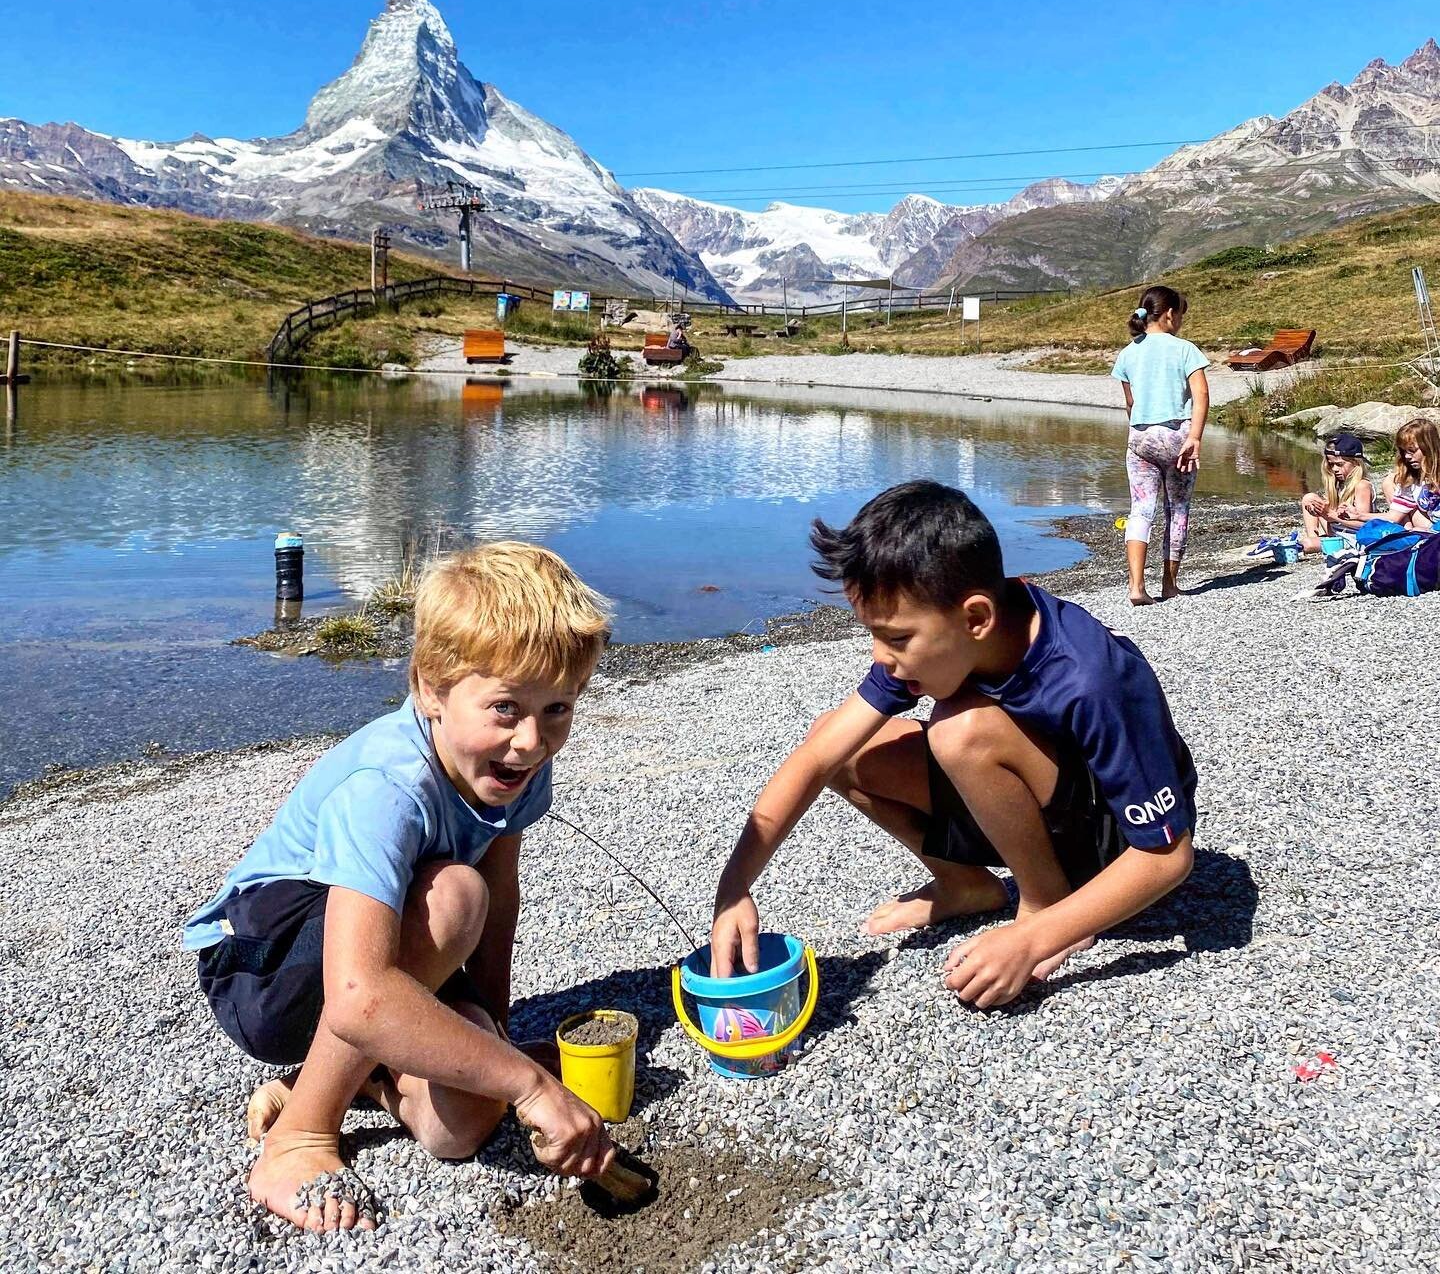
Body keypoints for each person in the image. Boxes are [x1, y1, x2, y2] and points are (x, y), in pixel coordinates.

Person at [183, 543, 616, 1234]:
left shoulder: (512, 765)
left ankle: (344, 1080)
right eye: (505, 707)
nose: (532, 741)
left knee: (465, 1124)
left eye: (558, 709)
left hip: (387, 950)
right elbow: (357, 996)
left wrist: (496, 1042)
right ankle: (298, 1135)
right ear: (430, 689)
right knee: (454, 897)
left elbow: (502, 898)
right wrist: (532, 1085)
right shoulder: (386, 790)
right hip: (263, 971)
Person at [709, 481, 1196, 1009]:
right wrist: (734, 888)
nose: (882, 657)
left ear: (976, 618)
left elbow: (1167, 856)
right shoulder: (948, 641)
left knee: (959, 729)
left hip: (1113, 852)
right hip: (1034, 811)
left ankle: (1044, 905)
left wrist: (1032, 940)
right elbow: (817, 756)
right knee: (843, 744)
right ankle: (966, 886)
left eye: (896, 638)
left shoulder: (1090, 677)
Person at [1111, 285, 1209, 605]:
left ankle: (1137, 587)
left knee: (1140, 509)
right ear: (1169, 315)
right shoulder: (1184, 349)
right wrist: (1194, 436)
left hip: (1139, 437)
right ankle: (1169, 584)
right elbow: (1201, 396)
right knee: (1176, 509)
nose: (1180, 321)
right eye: (1180, 315)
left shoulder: (1128, 353)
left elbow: (1130, 403)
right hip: (1175, 436)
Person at [1298, 431, 1374, 552]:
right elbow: (1332, 513)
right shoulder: (1339, 483)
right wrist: (1320, 510)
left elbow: (1363, 525)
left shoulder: (1362, 485)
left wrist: (1333, 516)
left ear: (1355, 462)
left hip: (1354, 538)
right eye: (1331, 464)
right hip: (1337, 530)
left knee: (1307, 544)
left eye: (1339, 464)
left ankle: (1314, 541)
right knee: (1309, 498)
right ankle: (1314, 536)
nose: (1335, 469)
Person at [1382, 417, 1440, 529]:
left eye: (1412, 450)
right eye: (1404, 451)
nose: (1407, 456)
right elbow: (1394, 516)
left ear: (1428, 447)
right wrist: (1359, 515)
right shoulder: (1412, 477)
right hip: (1433, 529)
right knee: (1390, 480)